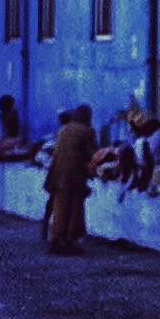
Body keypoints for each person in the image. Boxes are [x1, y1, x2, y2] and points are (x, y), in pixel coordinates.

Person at [41, 104, 95, 255]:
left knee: (59, 207)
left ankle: (57, 240)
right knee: (75, 208)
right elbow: (91, 153)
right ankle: (70, 242)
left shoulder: (63, 129)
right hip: (75, 174)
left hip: (57, 172)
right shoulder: (87, 131)